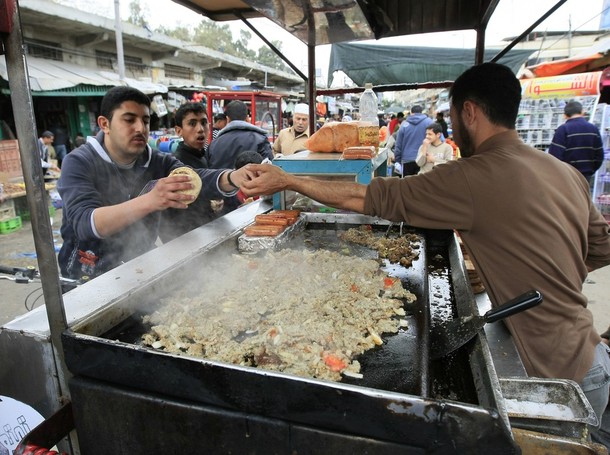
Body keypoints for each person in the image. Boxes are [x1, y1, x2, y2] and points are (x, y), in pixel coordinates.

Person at [241, 63, 610, 441]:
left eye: (453, 118)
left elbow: (370, 197)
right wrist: (553, 278)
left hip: (556, 383)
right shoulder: (565, 172)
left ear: (470, 112)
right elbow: (601, 247)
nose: (452, 130)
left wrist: (289, 179)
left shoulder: (472, 176)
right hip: (592, 356)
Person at [57, 86, 252, 282]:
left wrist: (233, 177)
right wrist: (150, 200)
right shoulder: (79, 162)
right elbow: (85, 222)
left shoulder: (158, 161)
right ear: (105, 124)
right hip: (87, 276)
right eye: (129, 120)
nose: (140, 128)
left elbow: (193, 178)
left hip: (139, 268)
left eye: (145, 121)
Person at [159, 102, 218, 242]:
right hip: (185, 239)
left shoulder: (203, 155)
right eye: (192, 123)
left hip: (204, 234)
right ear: (179, 131)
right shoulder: (176, 165)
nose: (200, 129)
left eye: (204, 122)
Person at [548, 100, 604, 190]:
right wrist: (590, 170)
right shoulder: (593, 129)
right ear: (582, 112)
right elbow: (599, 155)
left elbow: (554, 156)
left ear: (565, 115)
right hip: (586, 175)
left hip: (567, 177)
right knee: (583, 198)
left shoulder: (563, 129)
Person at [207, 100, 273, 169]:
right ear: (247, 118)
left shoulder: (214, 144)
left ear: (227, 119)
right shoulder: (260, 140)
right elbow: (269, 168)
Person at [394, 105, 434, 176]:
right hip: (424, 159)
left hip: (407, 160)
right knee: (422, 182)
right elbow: (439, 140)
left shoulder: (404, 125)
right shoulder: (429, 122)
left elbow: (398, 145)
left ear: (411, 112)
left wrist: (398, 161)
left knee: (408, 182)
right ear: (421, 112)